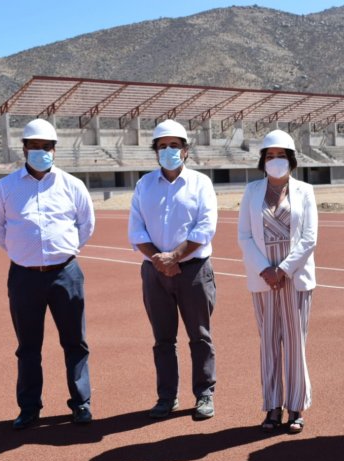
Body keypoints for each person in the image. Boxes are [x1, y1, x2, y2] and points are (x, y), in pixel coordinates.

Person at [0, 118, 95, 429]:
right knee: (28, 347)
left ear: (54, 150)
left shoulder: (73, 186)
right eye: (34, 146)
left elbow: (85, 226)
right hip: (24, 276)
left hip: (66, 274)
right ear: (24, 149)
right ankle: (30, 409)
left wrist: (64, 252)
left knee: (76, 342)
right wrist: (23, 253)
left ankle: (81, 404)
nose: (40, 152)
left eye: (46, 147)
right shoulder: (5, 188)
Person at [128, 119, 218, 421]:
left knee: (200, 336)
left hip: (193, 271)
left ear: (186, 151)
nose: (169, 150)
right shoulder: (144, 185)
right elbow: (136, 230)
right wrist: (159, 260)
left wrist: (175, 258)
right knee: (163, 339)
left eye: (174, 146)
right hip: (155, 273)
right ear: (156, 152)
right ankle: (167, 397)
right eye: (163, 146)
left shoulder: (201, 183)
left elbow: (205, 227)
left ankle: (204, 394)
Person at [237, 130, 317, 434]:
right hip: (263, 280)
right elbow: (244, 235)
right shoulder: (251, 191)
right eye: (269, 156)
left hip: (294, 279)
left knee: (296, 344)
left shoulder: (305, 191)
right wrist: (264, 269)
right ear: (262, 160)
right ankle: (272, 406)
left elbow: (309, 237)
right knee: (268, 343)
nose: (275, 160)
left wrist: (282, 269)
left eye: (280, 155)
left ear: (291, 159)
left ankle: (295, 406)